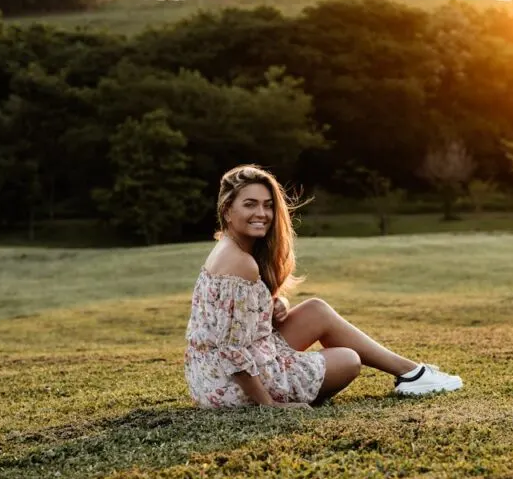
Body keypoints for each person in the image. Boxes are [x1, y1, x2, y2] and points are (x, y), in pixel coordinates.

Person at [184, 164, 463, 409]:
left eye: (268, 205)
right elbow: (232, 348)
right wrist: (268, 406)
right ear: (227, 210)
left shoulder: (229, 248)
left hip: (210, 375)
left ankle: (412, 373)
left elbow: (231, 319)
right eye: (250, 204)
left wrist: (275, 304)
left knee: (316, 309)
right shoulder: (240, 262)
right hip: (230, 386)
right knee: (348, 360)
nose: (262, 213)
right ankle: (412, 373)